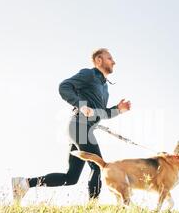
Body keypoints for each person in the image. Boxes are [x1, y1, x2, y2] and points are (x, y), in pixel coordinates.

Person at [12, 48, 131, 204]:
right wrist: (81, 106)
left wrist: (118, 110)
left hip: (82, 129)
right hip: (80, 126)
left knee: (71, 177)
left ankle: (24, 183)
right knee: (99, 166)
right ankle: (92, 209)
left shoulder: (104, 87)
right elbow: (64, 87)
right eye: (109, 58)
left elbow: (100, 113)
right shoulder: (89, 74)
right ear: (99, 60)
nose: (113, 61)